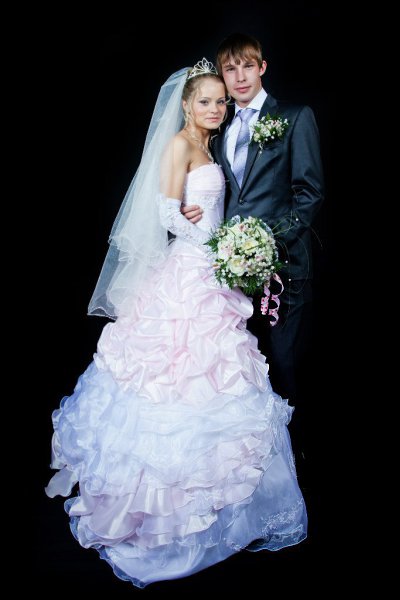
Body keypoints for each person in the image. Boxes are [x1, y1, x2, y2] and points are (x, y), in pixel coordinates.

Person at [45, 59, 307, 589]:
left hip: (214, 271)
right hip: (192, 269)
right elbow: (168, 213)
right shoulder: (179, 145)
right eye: (205, 101)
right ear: (186, 104)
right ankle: (162, 516)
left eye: (220, 101)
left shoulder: (212, 147)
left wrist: (225, 246)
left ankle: (223, 508)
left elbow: (208, 204)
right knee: (173, 378)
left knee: (223, 376)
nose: (215, 109)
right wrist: (217, 247)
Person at [183, 34, 324, 451]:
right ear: (222, 76)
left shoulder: (294, 117)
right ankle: (252, 458)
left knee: (283, 365)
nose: (240, 77)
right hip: (229, 273)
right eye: (231, 69)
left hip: (282, 269)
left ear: (262, 68)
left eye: (248, 66)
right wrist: (189, 206)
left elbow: (309, 194)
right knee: (240, 368)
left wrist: (265, 244)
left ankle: (292, 458)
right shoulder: (219, 124)